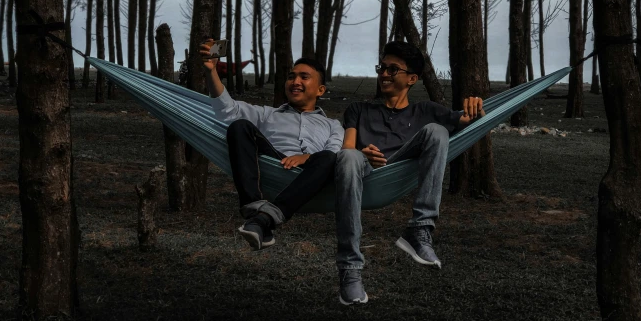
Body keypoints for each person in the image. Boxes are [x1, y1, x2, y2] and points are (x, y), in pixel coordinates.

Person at [334, 41, 484, 305]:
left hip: (400, 164)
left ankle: (420, 228)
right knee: (348, 156)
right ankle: (350, 269)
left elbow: (467, 119)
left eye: (393, 70)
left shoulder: (426, 110)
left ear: (412, 79)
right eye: (382, 68)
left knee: (438, 130)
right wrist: (362, 153)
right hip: (365, 170)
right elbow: (347, 149)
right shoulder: (359, 109)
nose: (384, 74)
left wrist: (475, 105)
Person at [200, 40, 343, 250]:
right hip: (273, 161)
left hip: (312, 172)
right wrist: (211, 72)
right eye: (291, 76)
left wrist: (307, 157)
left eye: (304, 77)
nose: (295, 81)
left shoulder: (333, 124)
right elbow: (227, 111)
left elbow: (335, 149)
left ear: (320, 89)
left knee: (329, 158)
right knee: (239, 126)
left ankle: (264, 219)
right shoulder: (268, 113)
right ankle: (254, 208)